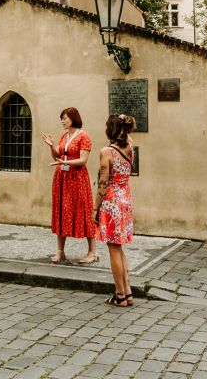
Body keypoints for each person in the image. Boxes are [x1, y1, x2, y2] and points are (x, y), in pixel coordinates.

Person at [41, 107, 97, 264]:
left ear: (73, 118)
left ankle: (92, 252)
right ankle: (60, 251)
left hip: (77, 178)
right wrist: (51, 146)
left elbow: (83, 160)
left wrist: (66, 162)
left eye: (64, 118)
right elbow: (57, 155)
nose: (62, 121)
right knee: (61, 210)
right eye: (62, 118)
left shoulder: (84, 136)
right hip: (62, 177)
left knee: (83, 210)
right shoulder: (64, 136)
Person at [93, 114, 135, 307]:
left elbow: (103, 183)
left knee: (113, 249)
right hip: (125, 198)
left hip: (111, 202)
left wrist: (95, 208)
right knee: (119, 248)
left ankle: (120, 295)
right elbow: (130, 129)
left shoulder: (106, 152)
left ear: (110, 129)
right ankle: (127, 292)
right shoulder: (130, 146)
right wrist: (125, 120)